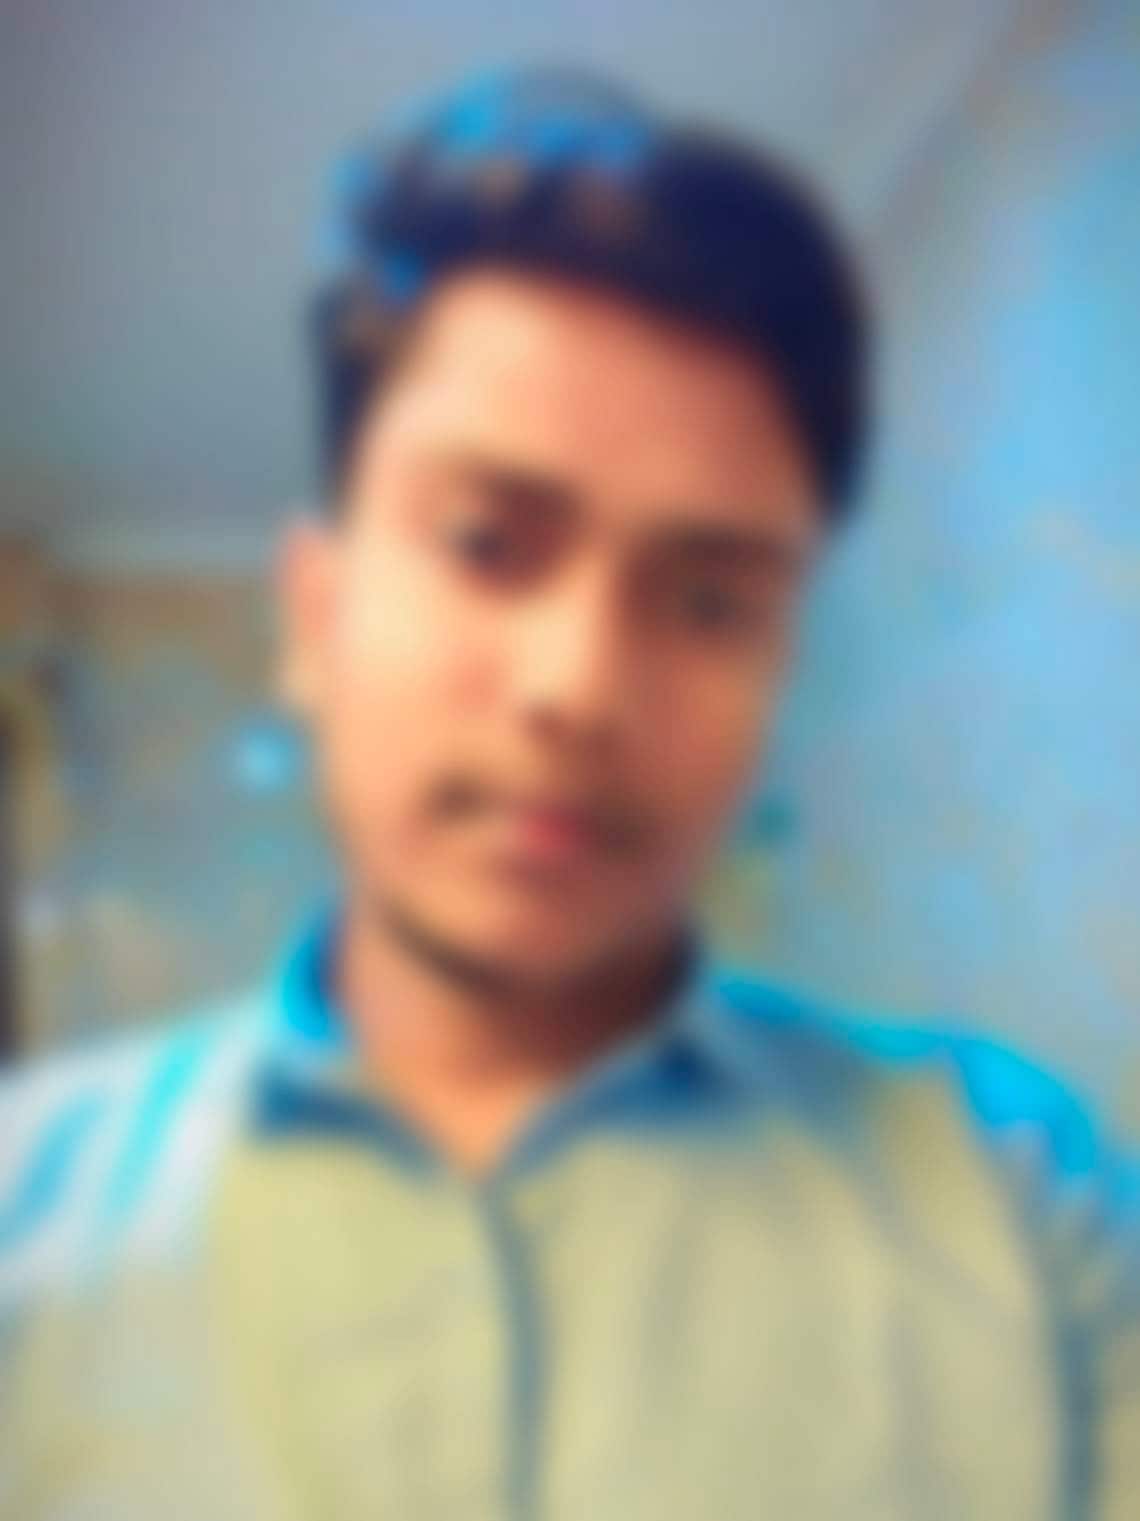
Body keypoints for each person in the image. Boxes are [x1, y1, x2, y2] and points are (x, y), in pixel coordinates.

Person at [1, 65, 1137, 1521]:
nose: (581, 685)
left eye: (711, 602)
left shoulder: (1025, 1207)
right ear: (315, 612)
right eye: (487, 543)